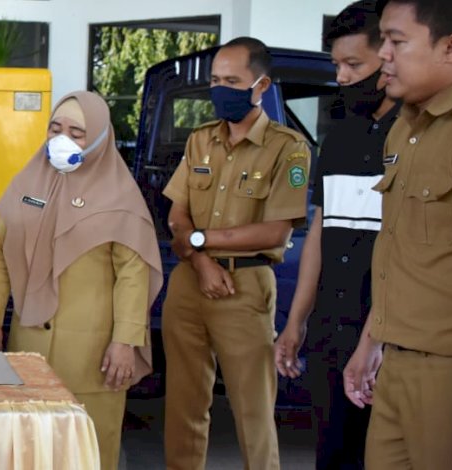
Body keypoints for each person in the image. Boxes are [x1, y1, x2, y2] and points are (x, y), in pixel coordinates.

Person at [0, 91, 162, 470]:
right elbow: (0, 254)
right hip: (28, 349)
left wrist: (126, 341)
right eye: (55, 128)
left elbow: (133, 275)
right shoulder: (26, 184)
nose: (62, 139)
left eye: (77, 132)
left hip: (93, 358)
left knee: (90, 452)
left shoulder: (120, 196)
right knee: (27, 451)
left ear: (98, 138)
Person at [162, 36, 310, 469]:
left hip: (244, 287)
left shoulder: (288, 147)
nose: (220, 89)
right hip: (190, 282)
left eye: (232, 81)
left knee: (253, 410)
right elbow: (176, 217)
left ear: (260, 85)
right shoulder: (200, 140)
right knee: (184, 405)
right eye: (215, 80)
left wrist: (199, 241)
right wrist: (201, 259)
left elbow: (276, 231)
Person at [272, 2, 398, 468]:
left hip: (385, 337)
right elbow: (321, 233)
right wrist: (296, 322)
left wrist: (375, 340)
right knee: (332, 454)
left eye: (353, 65)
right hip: (330, 332)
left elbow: (403, 257)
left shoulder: (413, 137)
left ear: (388, 59)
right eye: (336, 65)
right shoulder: (338, 137)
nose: (341, 77)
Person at [343, 0, 452, 468]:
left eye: (396, 41)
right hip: (393, 364)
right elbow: (399, 255)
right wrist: (370, 343)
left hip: (449, 375)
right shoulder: (403, 131)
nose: (383, 55)